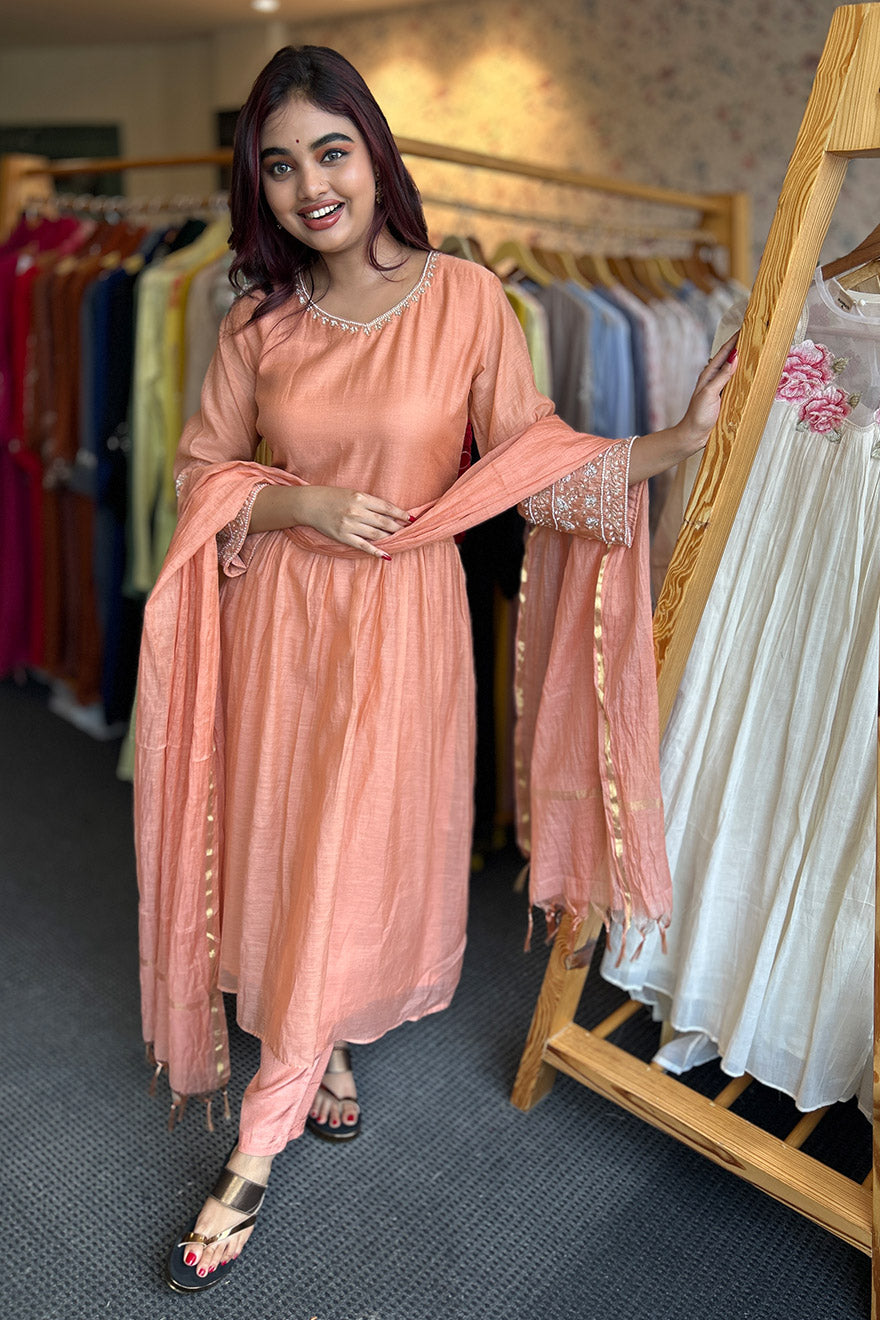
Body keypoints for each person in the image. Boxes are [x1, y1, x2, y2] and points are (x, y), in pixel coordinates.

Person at [133, 44, 736, 1294]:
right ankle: (323, 1040)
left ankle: (255, 1145)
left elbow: (532, 463)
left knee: (354, 844)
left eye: (332, 152)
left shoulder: (467, 298)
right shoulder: (256, 319)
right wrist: (299, 503)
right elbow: (201, 474)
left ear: (375, 154)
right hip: (281, 619)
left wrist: (675, 440)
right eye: (281, 165)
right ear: (259, 184)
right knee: (288, 837)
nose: (312, 187)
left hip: (405, 623)